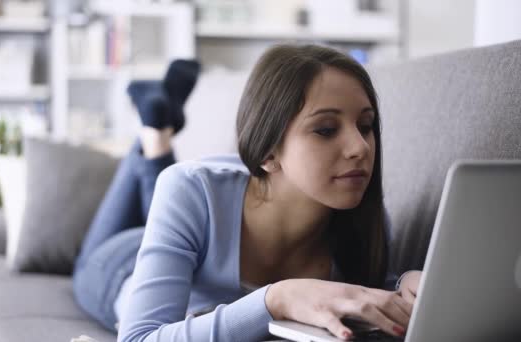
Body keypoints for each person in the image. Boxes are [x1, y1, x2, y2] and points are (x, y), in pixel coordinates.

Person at [72, 45, 422, 342]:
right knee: (152, 203)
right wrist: (275, 299)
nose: (360, 147)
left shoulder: (363, 222)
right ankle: (153, 134)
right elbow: (139, 337)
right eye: (326, 129)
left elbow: (369, 294)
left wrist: (409, 285)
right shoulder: (191, 188)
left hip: (188, 236)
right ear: (268, 152)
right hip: (118, 267)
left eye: (366, 126)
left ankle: (156, 128)